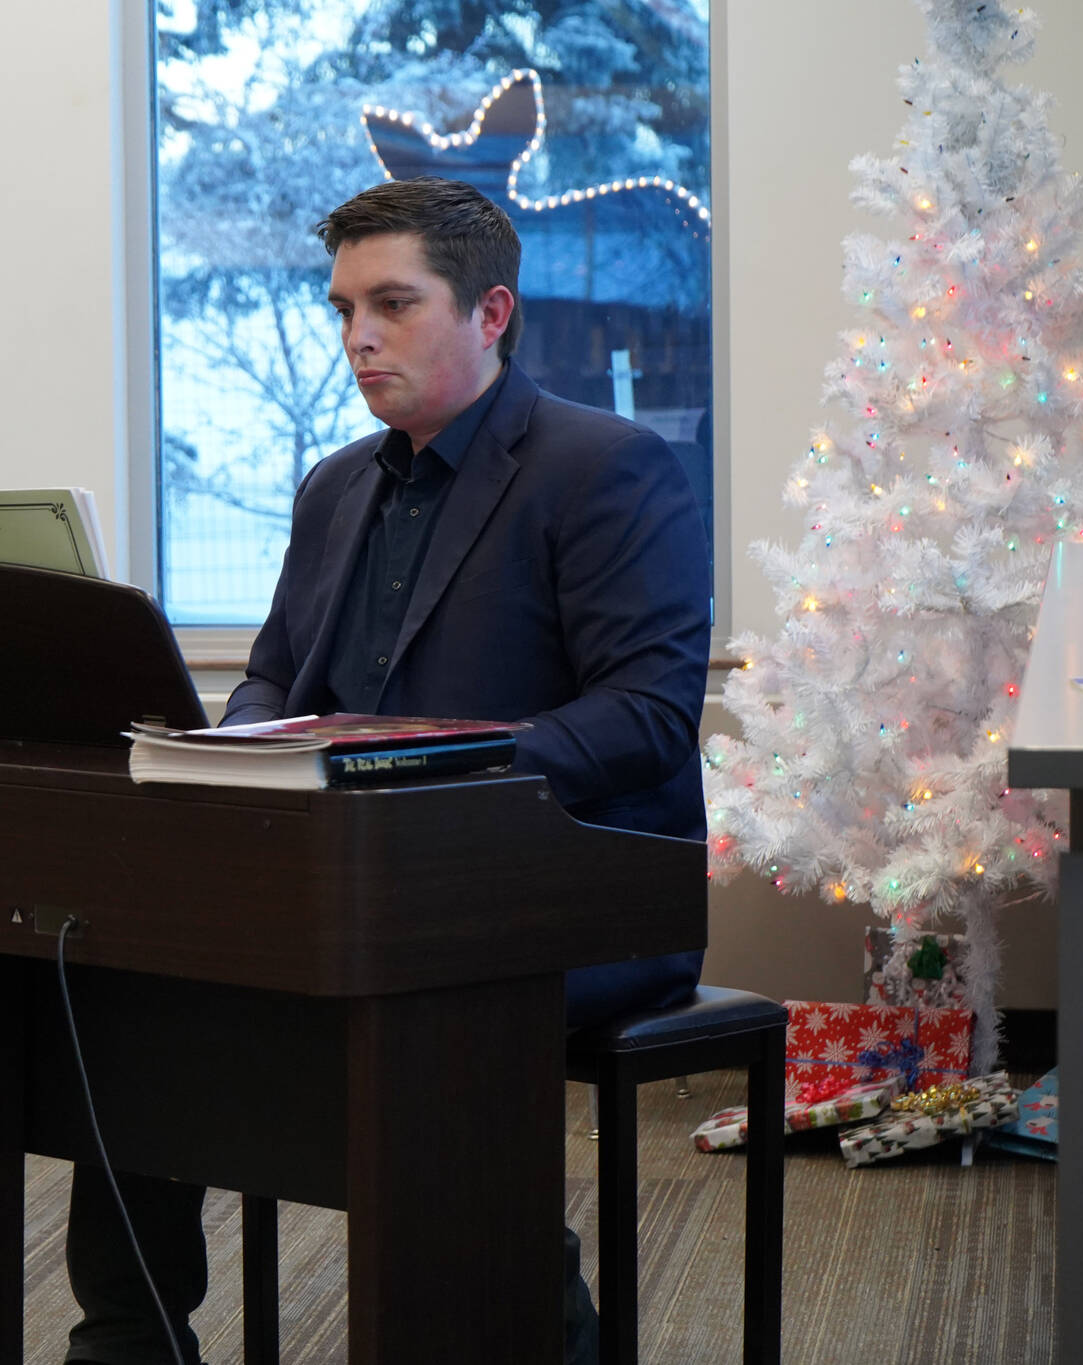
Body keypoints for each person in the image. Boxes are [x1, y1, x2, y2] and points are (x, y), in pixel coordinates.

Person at [65, 175, 711, 1365]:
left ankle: (536, 1326)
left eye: (393, 304)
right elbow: (270, 678)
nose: (358, 336)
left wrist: (426, 770)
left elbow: (646, 717)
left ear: (491, 312)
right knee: (122, 985)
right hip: (360, 889)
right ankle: (126, 1345)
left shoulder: (602, 467)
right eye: (342, 308)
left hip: (562, 895)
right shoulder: (334, 485)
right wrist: (238, 746)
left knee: (407, 999)